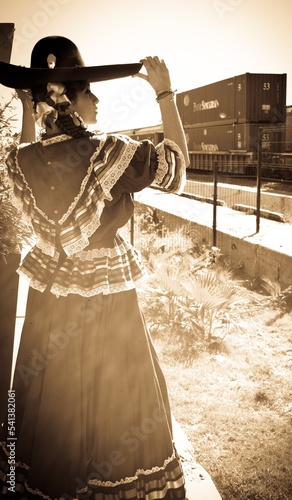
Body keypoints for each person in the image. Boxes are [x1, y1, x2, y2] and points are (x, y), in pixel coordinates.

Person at [0, 35, 189, 499]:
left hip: (49, 305)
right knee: (117, 399)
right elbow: (179, 171)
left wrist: (31, 110)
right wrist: (165, 94)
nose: (99, 99)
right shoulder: (112, 154)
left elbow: (27, 152)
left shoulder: (23, 160)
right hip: (108, 304)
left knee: (51, 396)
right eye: (92, 90)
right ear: (74, 96)